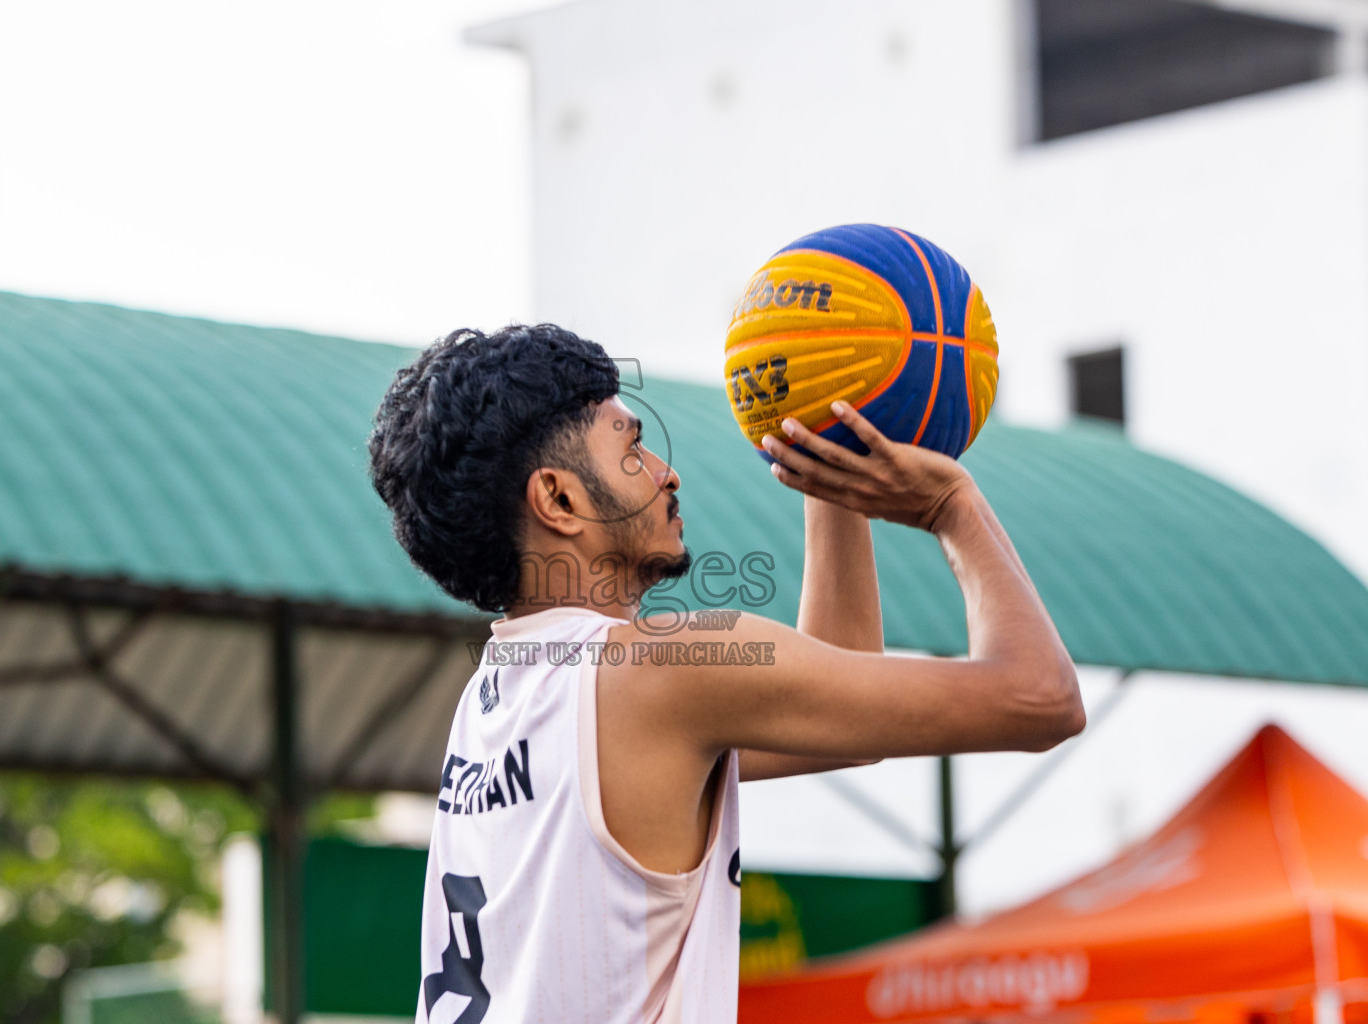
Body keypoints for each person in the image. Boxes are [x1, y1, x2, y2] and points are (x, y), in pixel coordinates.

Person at [368, 323, 1083, 1024]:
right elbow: (1040, 697)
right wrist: (950, 505)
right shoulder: (658, 670)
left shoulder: (499, 694)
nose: (665, 471)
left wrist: (828, 464)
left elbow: (841, 724)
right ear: (559, 500)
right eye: (633, 448)